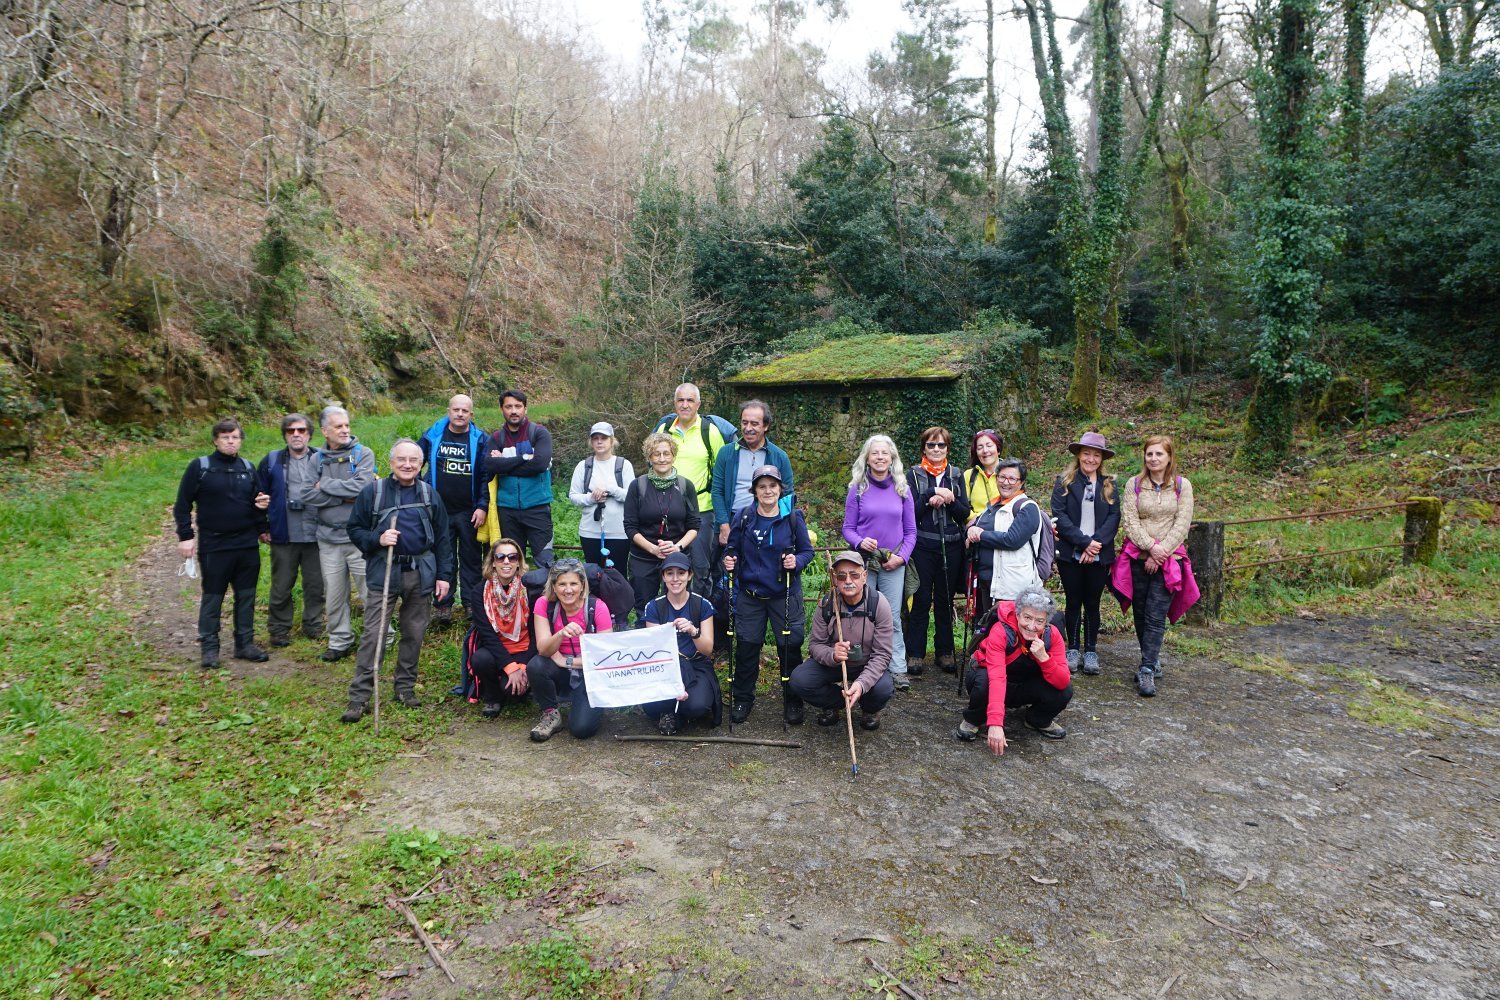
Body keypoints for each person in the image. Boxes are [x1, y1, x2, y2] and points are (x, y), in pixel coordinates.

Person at [340, 440, 454, 722]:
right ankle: (360, 697)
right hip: (384, 570)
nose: (407, 465)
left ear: (421, 464)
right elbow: (354, 529)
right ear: (391, 462)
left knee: (414, 633)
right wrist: (377, 539)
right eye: (401, 459)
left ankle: (404, 688)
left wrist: (444, 576)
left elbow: (443, 538)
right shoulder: (373, 493)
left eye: (413, 460)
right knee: (373, 634)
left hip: (421, 572)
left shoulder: (429, 494)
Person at [174, 418, 271, 668]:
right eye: (225, 436)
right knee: (213, 597)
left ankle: (245, 644)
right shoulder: (201, 467)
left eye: (235, 437)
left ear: (241, 440)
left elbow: (258, 502)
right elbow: (182, 504)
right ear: (215, 440)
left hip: (247, 545)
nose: (230, 441)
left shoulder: (248, 468)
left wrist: (263, 526)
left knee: (246, 596)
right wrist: (186, 537)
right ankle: (209, 648)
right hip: (214, 545)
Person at [721, 465, 814, 724]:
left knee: (790, 647)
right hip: (750, 595)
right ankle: (742, 699)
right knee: (747, 649)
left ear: (780, 488)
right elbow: (732, 550)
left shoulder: (793, 517)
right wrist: (729, 560)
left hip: (784, 594)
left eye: (772, 486)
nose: (768, 491)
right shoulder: (744, 517)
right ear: (754, 491)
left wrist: (796, 561)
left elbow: (807, 552)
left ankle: (793, 700)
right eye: (762, 486)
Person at [1116, 435, 1196, 697]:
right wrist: (1150, 547)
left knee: (1155, 614)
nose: (1153, 459)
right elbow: (1130, 520)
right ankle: (1149, 656)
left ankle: (1147, 668)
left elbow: (1182, 523)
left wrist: (1160, 553)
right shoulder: (1134, 485)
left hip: (1168, 561)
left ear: (1169, 457)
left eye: (1159, 454)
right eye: (1149, 454)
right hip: (1137, 559)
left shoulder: (1183, 486)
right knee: (1140, 612)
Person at [955, 586, 1073, 752]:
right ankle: (974, 719)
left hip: (1021, 687)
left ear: (1046, 622)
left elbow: (1062, 682)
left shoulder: (1052, 635)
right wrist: (995, 724)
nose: (1032, 626)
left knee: (1065, 690)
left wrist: (1044, 659)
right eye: (1027, 617)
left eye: (1039, 621)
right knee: (983, 680)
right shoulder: (1001, 631)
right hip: (992, 681)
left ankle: (1036, 720)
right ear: (1018, 614)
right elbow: (997, 677)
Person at [789, 550, 895, 731]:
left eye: (854, 575)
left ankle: (869, 708)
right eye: (841, 575)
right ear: (835, 579)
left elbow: (882, 654)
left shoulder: (878, 603)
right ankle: (836, 703)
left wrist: (861, 685)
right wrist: (832, 655)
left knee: (883, 688)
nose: (848, 580)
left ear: (864, 577)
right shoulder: (827, 603)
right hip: (834, 665)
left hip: (866, 664)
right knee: (800, 680)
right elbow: (815, 645)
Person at [841, 434, 916, 689]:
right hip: (864, 562)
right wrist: (860, 542)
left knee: (892, 616)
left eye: (885, 453)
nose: (880, 457)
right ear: (867, 458)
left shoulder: (902, 489)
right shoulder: (857, 489)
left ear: (892, 457)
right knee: (864, 614)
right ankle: (865, 666)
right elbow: (848, 529)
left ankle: (897, 668)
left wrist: (901, 557)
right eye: (875, 453)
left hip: (893, 562)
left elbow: (911, 532)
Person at [305, 405, 377, 662]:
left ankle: (380, 638)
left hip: (359, 539)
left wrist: (325, 485)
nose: (345, 430)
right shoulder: (316, 459)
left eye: (347, 425)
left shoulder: (363, 454)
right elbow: (306, 494)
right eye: (338, 426)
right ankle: (339, 640)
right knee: (334, 595)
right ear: (325, 431)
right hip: (328, 540)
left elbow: (364, 488)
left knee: (371, 592)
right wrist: (344, 498)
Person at [1051, 431, 1121, 676]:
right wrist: (1084, 543)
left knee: (1092, 602)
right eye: (1087, 453)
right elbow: (1060, 516)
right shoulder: (1065, 482)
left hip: (1099, 554)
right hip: (1071, 552)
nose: (1091, 459)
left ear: (1102, 459)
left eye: (1096, 455)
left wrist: (1096, 544)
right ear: (1079, 455)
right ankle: (1072, 648)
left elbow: (1114, 517)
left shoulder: (1110, 484)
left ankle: (1090, 650)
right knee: (1072, 601)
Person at [904, 427, 970, 676]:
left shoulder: (955, 474)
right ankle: (916, 654)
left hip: (951, 545)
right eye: (931, 445)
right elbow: (909, 513)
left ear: (947, 449)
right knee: (921, 600)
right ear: (924, 448)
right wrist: (931, 495)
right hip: (922, 545)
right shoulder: (913, 474)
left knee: (945, 600)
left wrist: (950, 500)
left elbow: (964, 513)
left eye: (941, 446)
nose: (936, 450)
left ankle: (945, 651)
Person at [652, 384, 731, 588]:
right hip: (667, 510)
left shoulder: (710, 432)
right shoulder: (664, 429)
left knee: (700, 569)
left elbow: (721, 474)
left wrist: (723, 518)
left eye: (689, 400)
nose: (685, 405)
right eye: (680, 400)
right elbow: (653, 466)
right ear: (674, 403)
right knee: (669, 567)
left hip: (701, 510)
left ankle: (701, 618)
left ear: (698, 404)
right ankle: (671, 616)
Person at [526, 558, 614, 741]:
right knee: (536, 665)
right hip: (559, 667)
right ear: (554, 586)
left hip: (589, 670)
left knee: (582, 729)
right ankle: (551, 714)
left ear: (582, 585)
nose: (568, 590)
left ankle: (590, 704)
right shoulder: (544, 604)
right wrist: (560, 634)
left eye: (574, 583)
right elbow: (543, 649)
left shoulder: (597, 607)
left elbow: (606, 656)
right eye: (562, 584)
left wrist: (567, 661)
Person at [419, 393, 489, 624]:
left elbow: (485, 476)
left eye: (465, 411)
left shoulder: (480, 439)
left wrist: (482, 506)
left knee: (471, 558)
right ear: (448, 411)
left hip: (469, 511)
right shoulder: (432, 435)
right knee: (444, 557)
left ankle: (470, 603)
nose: (460, 414)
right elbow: (414, 460)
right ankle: (443, 605)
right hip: (439, 510)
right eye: (456, 410)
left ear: (471, 414)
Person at [257, 412, 325, 648]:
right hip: (283, 533)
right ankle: (278, 629)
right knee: (281, 585)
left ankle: (314, 625)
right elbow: (258, 496)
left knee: (316, 585)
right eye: (290, 431)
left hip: (317, 533)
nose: (296, 435)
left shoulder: (322, 458)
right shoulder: (272, 460)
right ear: (285, 435)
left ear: (309, 434)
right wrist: (262, 526)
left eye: (301, 430)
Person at [622, 432, 701, 622]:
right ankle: (645, 647)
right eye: (657, 454)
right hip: (644, 556)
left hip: (678, 556)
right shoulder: (637, 486)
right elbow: (630, 527)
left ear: (673, 455)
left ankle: (678, 647)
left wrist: (677, 548)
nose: (662, 458)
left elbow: (694, 525)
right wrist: (653, 549)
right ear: (649, 457)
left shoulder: (685, 486)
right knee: (644, 606)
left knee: (677, 605)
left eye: (666, 453)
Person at [641, 552, 719, 734]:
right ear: (663, 577)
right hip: (665, 667)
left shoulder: (702, 605)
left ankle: (677, 711)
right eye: (669, 573)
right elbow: (654, 650)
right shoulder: (654, 606)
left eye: (681, 573)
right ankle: (672, 710)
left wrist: (693, 631)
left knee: (697, 706)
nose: (675, 579)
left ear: (690, 575)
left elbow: (707, 650)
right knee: (649, 707)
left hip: (695, 664)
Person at [966, 457, 1043, 623]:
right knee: (989, 631)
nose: (1006, 482)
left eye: (1012, 478)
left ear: (1021, 483)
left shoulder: (1027, 507)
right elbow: (975, 529)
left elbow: (1012, 540)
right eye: (1001, 477)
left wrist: (981, 535)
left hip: (1012, 585)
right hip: (987, 581)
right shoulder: (992, 507)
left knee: (1010, 631)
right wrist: (970, 533)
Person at [464, 538, 535, 719]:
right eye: (500, 557)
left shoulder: (530, 590)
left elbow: (537, 632)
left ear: (518, 562)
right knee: (480, 659)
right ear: (493, 562)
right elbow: (487, 634)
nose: (506, 561)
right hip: (496, 651)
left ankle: (523, 686)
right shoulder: (479, 591)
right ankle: (492, 696)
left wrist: (523, 666)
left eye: (512, 557)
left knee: (513, 693)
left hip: (525, 650)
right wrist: (511, 667)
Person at [711, 400, 794, 551]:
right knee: (729, 570)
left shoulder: (779, 457)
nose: (748, 428)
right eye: (744, 423)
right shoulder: (726, 453)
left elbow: (787, 495)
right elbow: (717, 491)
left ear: (766, 426)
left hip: (766, 522)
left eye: (754, 424)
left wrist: (779, 527)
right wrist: (723, 525)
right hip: (732, 521)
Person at [485, 388, 554, 567]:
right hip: (507, 510)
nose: (513, 411)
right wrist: (524, 458)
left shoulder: (539, 433)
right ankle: (516, 596)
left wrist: (505, 465)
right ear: (502, 409)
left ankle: (544, 596)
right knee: (511, 564)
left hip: (537, 508)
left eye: (518, 406)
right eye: (508, 406)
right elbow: (490, 465)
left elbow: (540, 464)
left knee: (545, 562)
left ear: (525, 408)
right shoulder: (497, 438)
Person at [567, 422, 633, 570]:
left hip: (619, 532)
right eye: (595, 438)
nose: (599, 441)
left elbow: (631, 496)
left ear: (612, 440)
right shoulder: (583, 466)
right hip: (590, 532)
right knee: (593, 573)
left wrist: (611, 489)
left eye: (604, 437)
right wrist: (592, 498)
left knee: (618, 573)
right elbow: (574, 496)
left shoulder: (623, 465)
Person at [963, 430, 1006, 523]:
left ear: (998, 450)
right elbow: (963, 506)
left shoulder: (1010, 473)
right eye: (980, 447)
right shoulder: (969, 475)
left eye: (989, 446)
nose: (985, 451)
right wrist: (977, 521)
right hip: (975, 530)